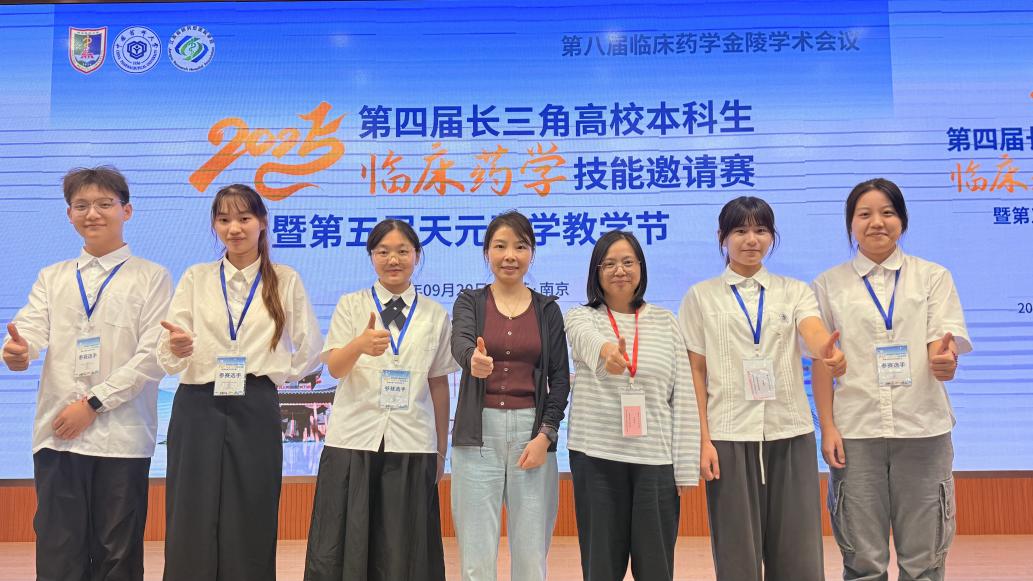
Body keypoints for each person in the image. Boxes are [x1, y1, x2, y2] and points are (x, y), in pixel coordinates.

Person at [2, 166, 172, 581]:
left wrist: (94, 403)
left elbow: (152, 356)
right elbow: (29, 331)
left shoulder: (152, 277)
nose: (92, 213)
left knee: (118, 554)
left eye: (103, 204)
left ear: (126, 210)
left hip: (123, 437)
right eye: (81, 206)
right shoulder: (53, 277)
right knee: (58, 552)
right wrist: (18, 352)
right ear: (69, 215)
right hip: (59, 433)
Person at [158, 184, 323, 581]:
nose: (234, 228)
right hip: (197, 402)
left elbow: (311, 348)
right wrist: (178, 348)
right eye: (224, 219)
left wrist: (272, 373)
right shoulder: (196, 277)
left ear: (262, 222)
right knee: (191, 508)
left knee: (252, 505)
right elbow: (166, 349)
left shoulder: (284, 279)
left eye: (244, 218)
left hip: (255, 402)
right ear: (215, 225)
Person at [679, 195, 846, 581]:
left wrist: (826, 349)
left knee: (800, 556)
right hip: (728, 435)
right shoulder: (701, 296)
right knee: (737, 556)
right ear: (722, 237)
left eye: (760, 230)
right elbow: (695, 372)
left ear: (772, 236)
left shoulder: (794, 291)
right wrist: (703, 440)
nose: (751, 239)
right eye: (740, 230)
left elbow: (811, 330)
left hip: (790, 431)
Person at [812, 178, 971, 581]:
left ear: (902, 220)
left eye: (887, 212)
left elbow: (942, 344)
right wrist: (827, 427)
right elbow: (821, 362)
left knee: (924, 560)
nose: (877, 222)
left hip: (923, 428)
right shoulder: (828, 285)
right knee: (862, 559)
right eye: (864, 214)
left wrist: (945, 361)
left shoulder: (932, 277)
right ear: (851, 224)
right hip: (856, 432)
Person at [305, 219, 458, 581]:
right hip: (354, 439)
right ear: (371, 256)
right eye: (383, 251)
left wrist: (440, 449)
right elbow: (336, 369)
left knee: (404, 550)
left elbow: (439, 383)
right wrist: (359, 345)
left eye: (403, 251)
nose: (393, 260)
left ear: (416, 255)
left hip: (412, 441)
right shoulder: (351, 305)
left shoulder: (435, 314)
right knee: (346, 544)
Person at [564, 230, 699, 581]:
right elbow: (587, 341)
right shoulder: (580, 317)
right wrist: (608, 352)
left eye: (627, 262)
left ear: (641, 267)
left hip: (655, 461)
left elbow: (683, 395)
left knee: (656, 568)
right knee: (601, 568)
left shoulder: (666, 321)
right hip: (596, 458)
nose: (619, 270)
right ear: (596, 272)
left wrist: (685, 466)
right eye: (609, 264)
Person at [450, 210, 570, 581]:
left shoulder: (547, 310)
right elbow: (461, 342)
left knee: (532, 554)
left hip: (531, 436)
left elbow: (560, 380)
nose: (510, 256)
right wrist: (473, 361)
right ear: (487, 252)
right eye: (500, 246)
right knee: (476, 554)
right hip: (477, 434)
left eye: (520, 246)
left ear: (531, 253)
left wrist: (545, 435)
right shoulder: (470, 301)